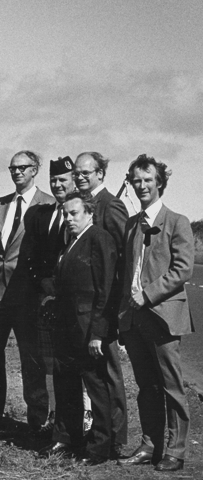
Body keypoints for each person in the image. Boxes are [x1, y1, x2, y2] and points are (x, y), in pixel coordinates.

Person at [117, 155, 193, 472]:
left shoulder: (177, 222)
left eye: (148, 180)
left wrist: (146, 296)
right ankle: (150, 445)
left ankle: (175, 451)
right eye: (137, 180)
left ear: (159, 182)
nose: (142, 185)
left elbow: (181, 269)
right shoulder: (132, 225)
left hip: (163, 317)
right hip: (134, 321)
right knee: (145, 387)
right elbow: (125, 273)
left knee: (171, 388)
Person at [0, 150, 55, 431]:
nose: (17, 172)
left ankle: (38, 418)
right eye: (12, 168)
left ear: (35, 170)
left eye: (23, 167)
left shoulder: (49, 205)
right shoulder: (0, 204)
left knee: (31, 355)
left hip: (28, 295)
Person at [38, 192, 117, 465]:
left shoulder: (98, 238)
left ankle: (99, 448)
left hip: (87, 330)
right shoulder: (70, 243)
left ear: (89, 213)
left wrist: (98, 333)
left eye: (74, 213)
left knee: (95, 387)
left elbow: (106, 290)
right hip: (66, 328)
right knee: (65, 384)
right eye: (65, 214)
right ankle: (67, 439)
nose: (69, 219)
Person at [74, 152, 129, 456]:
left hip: (106, 306)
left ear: (100, 174)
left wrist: (115, 309)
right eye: (77, 174)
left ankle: (117, 440)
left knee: (109, 374)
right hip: (87, 307)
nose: (80, 178)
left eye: (86, 173)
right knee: (94, 376)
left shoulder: (111, 205)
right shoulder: (80, 206)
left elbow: (123, 258)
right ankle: (101, 433)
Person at [27, 157, 77, 432]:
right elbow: (33, 255)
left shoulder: (81, 214)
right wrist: (42, 283)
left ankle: (82, 419)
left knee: (74, 365)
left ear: (74, 182)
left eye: (63, 180)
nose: (58, 185)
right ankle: (55, 416)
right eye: (54, 180)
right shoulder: (43, 215)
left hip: (71, 302)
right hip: (47, 301)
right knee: (50, 364)